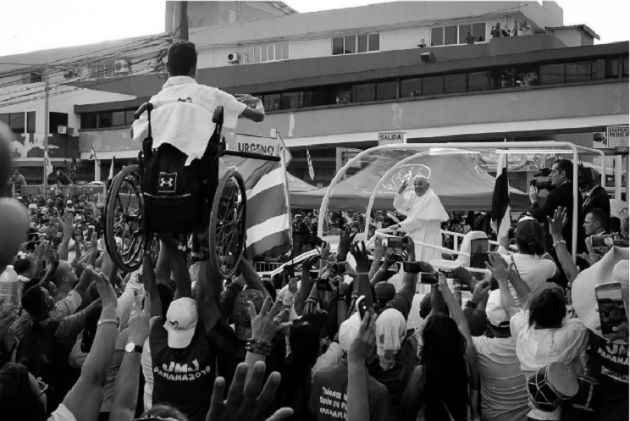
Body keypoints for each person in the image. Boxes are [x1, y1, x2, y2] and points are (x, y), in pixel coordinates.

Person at [132, 40, 264, 165]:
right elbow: (258, 117)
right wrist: (258, 102)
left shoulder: (155, 101)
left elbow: (134, 132)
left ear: (167, 68)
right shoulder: (212, 95)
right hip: (199, 171)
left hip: (158, 172)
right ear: (194, 68)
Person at [530, 159, 585, 257]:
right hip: (573, 240)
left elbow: (540, 215)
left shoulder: (556, 194)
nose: (550, 175)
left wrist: (533, 201)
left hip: (556, 243)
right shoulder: (575, 190)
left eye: (554, 171)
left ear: (563, 174)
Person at [391, 176, 449, 262]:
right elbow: (399, 205)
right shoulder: (412, 194)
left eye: (420, 184)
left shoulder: (431, 198)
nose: (417, 187)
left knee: (425, 260)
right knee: (411, 259)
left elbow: (420, 219)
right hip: (415, 233)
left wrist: (400, 225)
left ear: (427, 185)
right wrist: (400, 192)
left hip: (427, 236)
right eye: (415, 184)